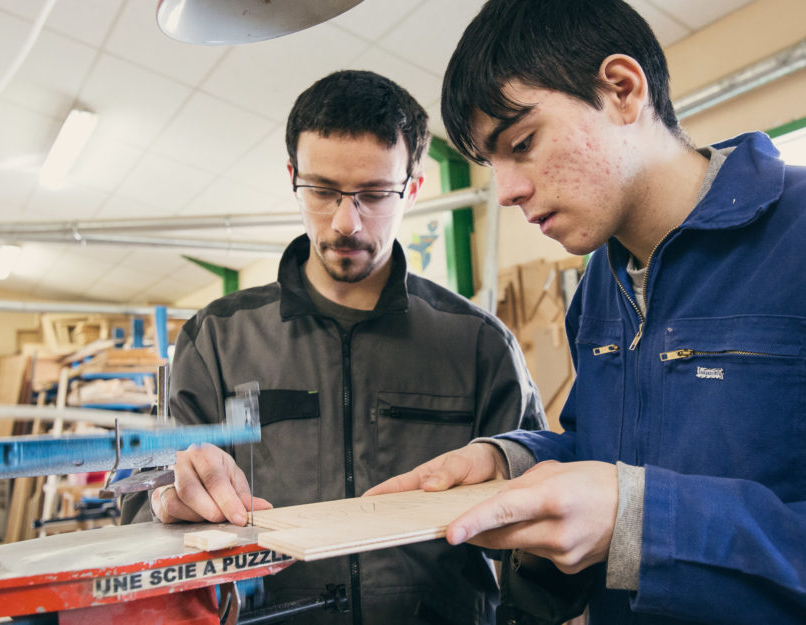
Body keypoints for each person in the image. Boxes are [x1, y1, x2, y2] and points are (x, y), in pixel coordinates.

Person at [366, 1, 806, 624]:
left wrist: (642, 521)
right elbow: (607, 452)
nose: (506, 191)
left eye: (523, 144)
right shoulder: (599, 287)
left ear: (622, 89)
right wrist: (513, 461)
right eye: (492, 163)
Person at [121, 69, 547, 625]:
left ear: (412, 189)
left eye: (374, 194)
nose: (346, 222)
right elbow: (138, 500)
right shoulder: (217, 337)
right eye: (322, 191)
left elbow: (536, 516)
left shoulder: (478, 343)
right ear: (293, 178)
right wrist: (163, 497)